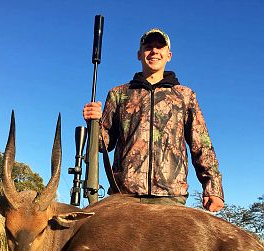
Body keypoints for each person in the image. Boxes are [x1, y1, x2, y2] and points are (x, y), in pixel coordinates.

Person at [83, 28, 224, 212]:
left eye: (160, 47)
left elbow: (201, 144)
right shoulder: (118, 94)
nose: (154, 51)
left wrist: (213, 187)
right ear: (139, 54)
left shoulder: (185, 96)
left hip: (170, 197)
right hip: (125, 196)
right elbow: (103, 144)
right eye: (148, 47)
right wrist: (94, 122)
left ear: (168, 55)